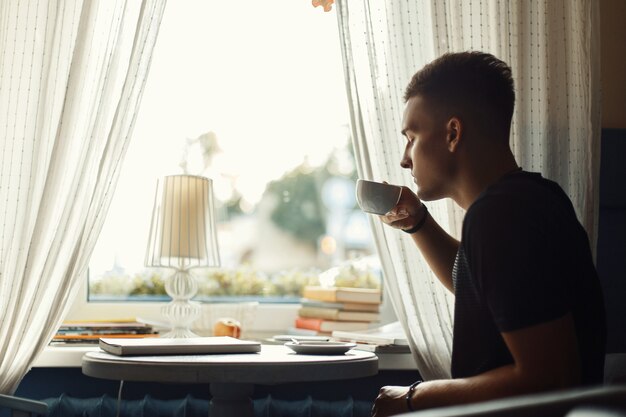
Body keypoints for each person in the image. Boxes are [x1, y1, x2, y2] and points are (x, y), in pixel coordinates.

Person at [371, 51, 606, 417]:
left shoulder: (500, 215)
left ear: (452, 133)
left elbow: (551, 379)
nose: (405, 159)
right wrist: (418, 222)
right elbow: (482, 285)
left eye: (412, 137)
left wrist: (413, 398)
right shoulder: (530, 198)